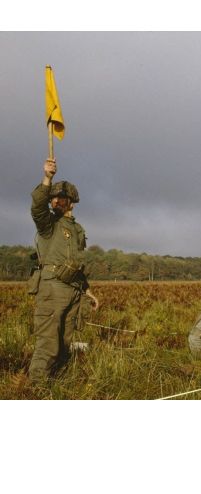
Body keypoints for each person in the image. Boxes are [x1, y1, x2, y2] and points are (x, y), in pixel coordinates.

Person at [28, 158, 99, 383]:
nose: (56, 200)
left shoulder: (77, 229)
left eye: (61, 198)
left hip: (73, 291)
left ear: (72, 202)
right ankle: (33, 390)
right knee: (47, 344)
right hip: (52, 288)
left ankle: (56, 383)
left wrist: (87, 291)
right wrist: (47, 178)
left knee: (64, 344)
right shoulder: (48, 224)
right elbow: (37, 206)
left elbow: (76, 263)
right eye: (53, 197)